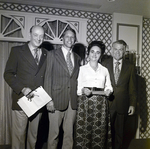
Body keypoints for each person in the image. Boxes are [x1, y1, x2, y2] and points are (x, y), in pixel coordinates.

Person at [3, 25, 47, 149]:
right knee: (19, 137)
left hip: (38, 101)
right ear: (29, 35)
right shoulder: (17, 51)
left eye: (41, 36)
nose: (39, 38)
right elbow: (8, 74)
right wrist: (22, 88)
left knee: (33, 137)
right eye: (36, 35)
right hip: (22, 100)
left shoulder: (45, 54)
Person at [44, 28, 81, 149]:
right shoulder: (52, 54)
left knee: (69, 134)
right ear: (62, 39)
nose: (70, 39)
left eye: (72, 37)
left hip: (72, 101)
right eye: (67, 37)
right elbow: (48, 77)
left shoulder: (77, 57)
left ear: (75, 40)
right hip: (55, 99)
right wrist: (48, 100)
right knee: (53, 134)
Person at [75, 40, 113, 149]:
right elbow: (78, 88)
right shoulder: (82, 69)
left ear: (100, 55)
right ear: (88, 53)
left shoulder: (104, 70)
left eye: (97, 52)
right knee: (84, 132)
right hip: (85, 104)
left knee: (99, 132)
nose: (94, 55)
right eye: (92, 52)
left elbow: (109, 86)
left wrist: (108, 91)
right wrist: (83, 90)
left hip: (101, 105)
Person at [102, 40, 137, 149]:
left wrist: (132, 104)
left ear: (124, 51)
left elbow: (132, 87)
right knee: (105, 133)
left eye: (121, 49)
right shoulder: (104, 64)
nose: (117, 52)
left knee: (119, 134)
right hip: (107, 104)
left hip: (123, 105)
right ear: (111, 50)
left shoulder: (130, 67)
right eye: (115, 49)